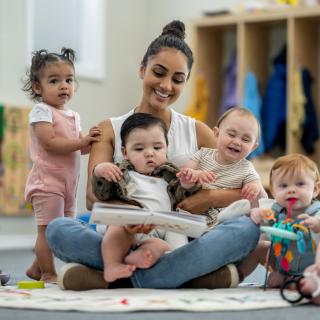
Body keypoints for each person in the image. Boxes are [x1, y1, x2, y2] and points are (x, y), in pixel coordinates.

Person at [46, 20, 260, 291]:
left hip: (180, 236)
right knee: (59, 230)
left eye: (178, 79)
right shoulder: (109, 129)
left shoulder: (198, 131)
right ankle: (183, 276)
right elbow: (92, 197)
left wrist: (208, 198)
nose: (166, 85)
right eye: (158, 73)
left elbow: (244, 184)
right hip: (124, 232)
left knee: (246, 230)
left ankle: (116, 278)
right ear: (142, 69)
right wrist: (135, 218)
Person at [95, 112, 213, 282]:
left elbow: (183, 196)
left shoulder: (171, 175)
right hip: (131, 226)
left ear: (167, 147)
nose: (149, 153)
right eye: (139, 149)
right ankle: (112, 265)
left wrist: (188, 183)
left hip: (164, 227)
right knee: (115, 227)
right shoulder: (122, 173)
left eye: (157, 148)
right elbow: (102, 193)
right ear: (125, 152)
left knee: (165, 247)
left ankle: (140, 259)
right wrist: (100, 171)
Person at [22, 48, 101, 283]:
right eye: (54, 81)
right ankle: (48, 273)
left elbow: (80, 147)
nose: (64, 86)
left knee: (62, 231)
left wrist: (93, 140)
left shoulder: (73, 116)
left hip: (69, 184)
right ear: (38, 87)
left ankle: (37, 267)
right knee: (47, 231)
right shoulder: (41, 111)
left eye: (69, 80)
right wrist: (81, 141)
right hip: (47, 182)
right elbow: (50, 143)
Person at [177, 107, 267, 227]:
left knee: (246, 225)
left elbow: (261, 196)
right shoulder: (203, 154)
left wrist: (253, 187)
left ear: (253, 147)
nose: (237, 142)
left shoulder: (246, 168)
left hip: (225, 222)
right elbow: (183, 176)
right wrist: (193, 176)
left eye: (245, 139)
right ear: (217, 133)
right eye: (231, 134)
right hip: (193, 217)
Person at [247, 154, 320, 289]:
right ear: (273, 191)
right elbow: (263, 224)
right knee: (259, 246)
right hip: (284, 265)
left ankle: (308, 282)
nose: (291, 190)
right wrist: (256, 213)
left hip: (312, 269)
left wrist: (317, 223)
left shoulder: (315, 211)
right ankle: (235, 276)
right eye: (283, 185)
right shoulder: (277, 211)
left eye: (300, 184)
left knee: (311, 282)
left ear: (315, 189)